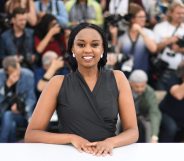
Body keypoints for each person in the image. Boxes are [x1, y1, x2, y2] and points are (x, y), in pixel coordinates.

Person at [25, 23, 138, 156]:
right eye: (81, 45)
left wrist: (110, 142)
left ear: (103, 49)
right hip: (68, 155)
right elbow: (31, 135)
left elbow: (132, 131)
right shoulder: (57, 83)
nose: (88, 50)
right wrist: (71, 138)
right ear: (72, 48)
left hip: (105, 155)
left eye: (95, 45)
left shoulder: (118, 78)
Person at [0, 56, 36, 142]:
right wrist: (7, 86)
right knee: (11, 125)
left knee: (8, 116)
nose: (17, 73)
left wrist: (26, 112)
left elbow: (31, 98)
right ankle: (11, 147)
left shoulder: (28, 75)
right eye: (13, 72)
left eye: (18, 69)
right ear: (6, 72)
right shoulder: (1, 76)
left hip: (22, 114)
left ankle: (2, 145)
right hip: (2, 113)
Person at [153, 2, 184, 90]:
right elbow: (154, 49)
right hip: (164, 71)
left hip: (182, 72)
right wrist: (168, 41)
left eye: (183, 13)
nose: (181, 15)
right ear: (170, 12)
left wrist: (179, 50)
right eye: (178, 13)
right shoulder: (159, 27)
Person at [129, 70, 161, 143]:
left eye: (142, 86)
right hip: (126, 115)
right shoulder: (123, 88)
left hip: (143, 116)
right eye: (137, 86)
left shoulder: (150, 92)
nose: (140, 89)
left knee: (150, 125)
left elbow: (154, 112)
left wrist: (154, 136)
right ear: (130, 83)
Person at [159, 61, 184, 142]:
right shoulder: (174, 77)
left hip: (181, 117)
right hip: (166, 113)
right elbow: (178, 95)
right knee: (171, 128)